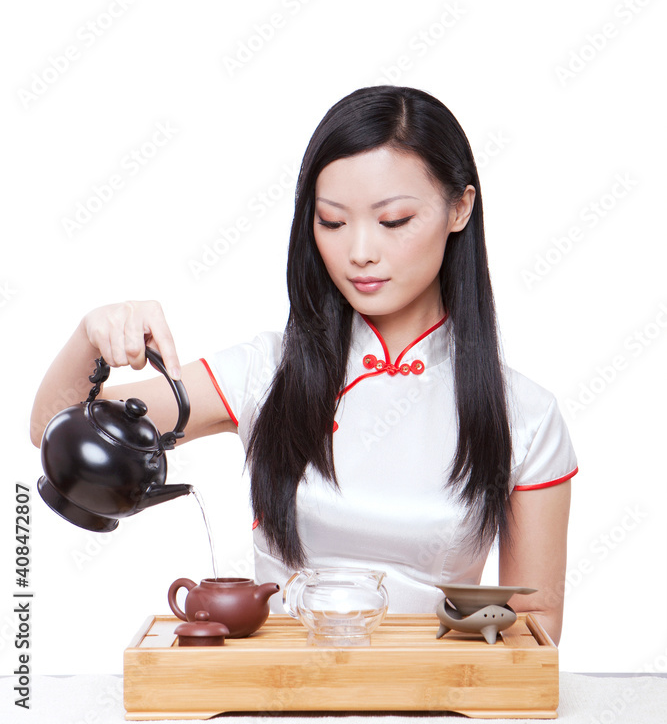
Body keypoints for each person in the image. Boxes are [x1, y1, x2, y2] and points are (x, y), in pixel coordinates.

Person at [31, 85, 577, 644]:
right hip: (280, 691)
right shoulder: (267, 373)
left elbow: (536, 630)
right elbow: (52, 432)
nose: (359, 250)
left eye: (393, 221)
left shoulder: (525, 416)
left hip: (434, 696)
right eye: (332, 222)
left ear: (460, 208)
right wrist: (88, 338)